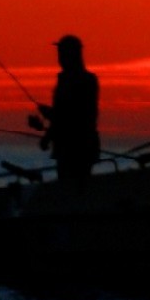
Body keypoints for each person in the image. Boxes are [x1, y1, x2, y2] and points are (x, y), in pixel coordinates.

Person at [32, 34, 101, 189]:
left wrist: (50, 117)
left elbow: (75, 116)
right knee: (71, 188)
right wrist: (47, 132)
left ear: (72, 54)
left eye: (62, 53)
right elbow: (63, 116)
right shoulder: (74, 79)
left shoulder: (84, 80)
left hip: (76, 148)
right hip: (72, 146)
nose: (60, 57)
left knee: (72, 189)